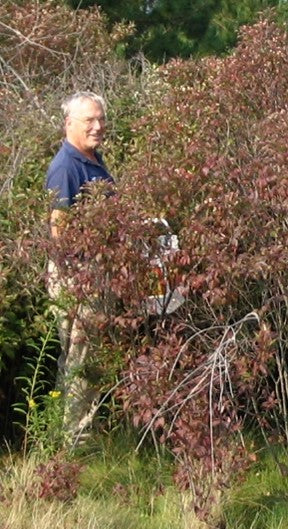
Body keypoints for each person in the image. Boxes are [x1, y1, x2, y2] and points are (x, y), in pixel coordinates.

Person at [45, 91, 114, 445]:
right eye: (89, 120)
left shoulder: (91, 159)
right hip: (78, 275)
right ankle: (76, 442)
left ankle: (72, 437)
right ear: (69, 123)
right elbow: (60, 231)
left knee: (82, 358)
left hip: (93, 273)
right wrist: (83, 280)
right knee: (81, 361)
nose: (98, 126)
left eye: (100, 119)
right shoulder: (66, 167)